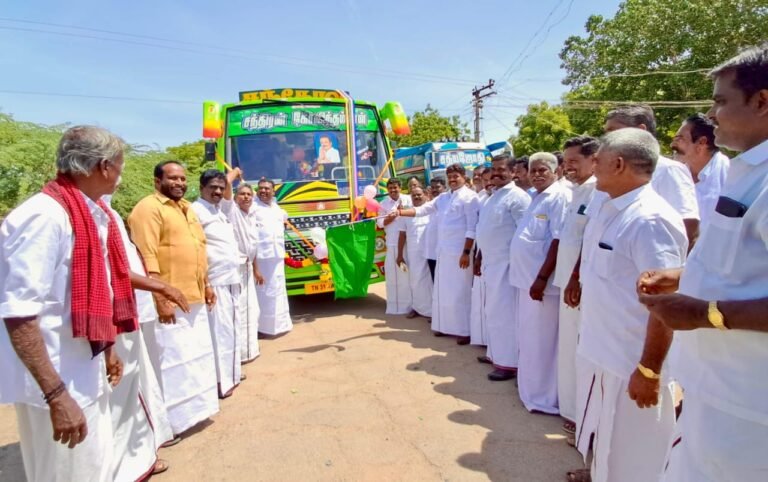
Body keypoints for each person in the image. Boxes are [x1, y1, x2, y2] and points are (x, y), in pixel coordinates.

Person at [638, 44, 768, 482]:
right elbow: (740, 265)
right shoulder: (747, 171)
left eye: (720, 101)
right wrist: (683, 276)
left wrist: (703, 313)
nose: (711, 114)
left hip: (750, 410)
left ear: (762, 101)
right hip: (714, 391)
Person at [0, 126, 135, 481]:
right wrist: (57, 396)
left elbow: (88, 292)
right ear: (104, 166)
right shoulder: (45, 216)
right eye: (121, 166)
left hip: (82, 371)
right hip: (57, 383)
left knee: (93, 470)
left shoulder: (87, 215)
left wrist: (105, 348)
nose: (121, 176)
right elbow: (18, 313)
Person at [572, 128, 688, 482]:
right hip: (601, 352)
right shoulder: (609, 207)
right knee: (606, 446)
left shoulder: (651, 219)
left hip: (631, 363)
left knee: (636, 457)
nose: (593, 166)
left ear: (618, 163)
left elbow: (666, 303)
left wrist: (649, 370)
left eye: (598, 159)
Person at [128, 160, 220, 438]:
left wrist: (206, 283)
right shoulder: (148, 209)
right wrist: (159, 297)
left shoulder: (187, 208)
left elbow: (199, 249)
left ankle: (193, 414)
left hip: (194, 296)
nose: (180, 183)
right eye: (173, 179)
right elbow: (147, 255)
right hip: (168, 298)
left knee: (194, 358)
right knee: (170, 363)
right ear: (157, 181)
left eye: (182, 179)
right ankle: (169, 425)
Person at [105, 194, 183, 480]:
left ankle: (142, 455)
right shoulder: (90, 212)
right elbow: (115, 271)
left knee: (139, 383)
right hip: (116, 315)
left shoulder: (106, 212)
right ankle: (128, 464)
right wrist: (161, 288)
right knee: (123, 392)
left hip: (133, 308)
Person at [508, 152, 570, 413]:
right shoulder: (534, 197)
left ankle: (545, 398)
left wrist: (542, 278)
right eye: (533, 170)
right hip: (526, 281)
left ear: (557, 171)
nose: (536, 174)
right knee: (530, 339)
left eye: (542, 170)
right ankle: (530, 389)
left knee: (543, 343)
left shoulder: (559, 197)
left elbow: (558, 241)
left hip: (542, 286)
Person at [394, 164, 480, 345]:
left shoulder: (470, 198)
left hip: (460, 254)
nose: (452, 179)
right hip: (443, 252)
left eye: (456, 176)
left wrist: (466, 252)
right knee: (443, 291)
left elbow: (472, 228)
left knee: (460, 292)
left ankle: (465, 330)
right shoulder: (443, 198)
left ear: (464, 176)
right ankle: (447, 326)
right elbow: (423, 210)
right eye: (450, 176)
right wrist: (401, 212)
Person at [551, 136, 600, 434]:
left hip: (580, 286)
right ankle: (570, 408)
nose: (567, 167)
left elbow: (588, 241)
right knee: (568, 347)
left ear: (594, 160)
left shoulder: (598, 192)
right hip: (568, 284)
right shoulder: (575, 191)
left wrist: (575, 278)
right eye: (565, 161)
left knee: (580, 350)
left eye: (573, 161)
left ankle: (581, 414)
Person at [604, 104, 700, 244]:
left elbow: (688, 228)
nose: (607, 138)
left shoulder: (669, 170)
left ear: (641, 130)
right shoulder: (610, 171)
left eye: (613, 131)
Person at [474, 154, 531, 381]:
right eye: (494, 169)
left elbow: (524, 234)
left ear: (512, 172)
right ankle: (496, 354)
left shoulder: (518, 197)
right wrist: (479, 257)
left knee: (505, 316)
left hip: (507, 267)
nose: (496, 173)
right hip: (491, 263)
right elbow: (484, 231)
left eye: (501, 169)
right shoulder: (492, 196)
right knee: (494, 313)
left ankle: (509, 364)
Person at [192, 169, 244, 398]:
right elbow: (197, 249)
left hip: (231, 278)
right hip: (216, 282)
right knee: (219, 333)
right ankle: (221, 381)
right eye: (212, 187)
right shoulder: (196, 211)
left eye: (221, 187)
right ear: (201, 187)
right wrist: (207, 282)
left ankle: (231, 374)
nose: (218, 191)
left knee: (230, 330)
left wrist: (230, 178)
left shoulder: (218, 209)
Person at [224, 180, 263, 363]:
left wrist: (256, 270)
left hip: (248, 268)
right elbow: (226, 189)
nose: (246, 197)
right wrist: (235, 174)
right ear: (236, 197)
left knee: (252, 310)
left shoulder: (251, 216)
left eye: (249, 194)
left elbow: (252, 246)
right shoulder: (232, 211)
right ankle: (239, 354)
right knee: (238, 311)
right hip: (235, 269)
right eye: (242, 194)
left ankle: (250, 350)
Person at [670, 113, 730, 225]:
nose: (672, 144)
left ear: (701, 142)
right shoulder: (675, 172)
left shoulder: (729, 174)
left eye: (679, 138)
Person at [252, 178, 293, 336]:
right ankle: (263, 328)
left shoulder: (275, 207)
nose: (263, 191)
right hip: (262, 258)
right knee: (263, 293)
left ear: (273, 191)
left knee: (278, 291)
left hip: (277, 256)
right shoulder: (253, 208)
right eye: (260, 188)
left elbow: (283, 216)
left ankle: (280, 325)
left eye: (267, 188)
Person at [378, 178, 413, 315]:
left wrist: (401, 212)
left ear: (400, 187)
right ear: (387, 190)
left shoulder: (408, 200)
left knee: (407, 276)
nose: (393, 190)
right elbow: (381, 223)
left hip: (407, 245)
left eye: (395, 187)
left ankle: (411, 307)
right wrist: (393, 216)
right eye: (390, 188)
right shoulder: (384, 204)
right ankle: (394, 307)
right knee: (393, 277)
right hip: (392, 245)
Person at [396, 186, 432, 319]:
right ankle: (417, 308)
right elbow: (402, 235)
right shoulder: (406, 213)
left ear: (425, 194)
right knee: (415, 281)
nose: (416, 197)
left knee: (430, 281)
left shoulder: (431, 210)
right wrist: (399, 255)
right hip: (413, 253)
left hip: (430, 252)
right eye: (414, 195)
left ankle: (433, 312)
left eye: (419, 194)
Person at [423, 177, 446, 280]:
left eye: (437, 187)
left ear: (444, 187)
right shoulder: (430, 205)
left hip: (444, 254)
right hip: (431, 254)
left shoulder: (448, 203)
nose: (434, 190)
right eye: (432, 187)